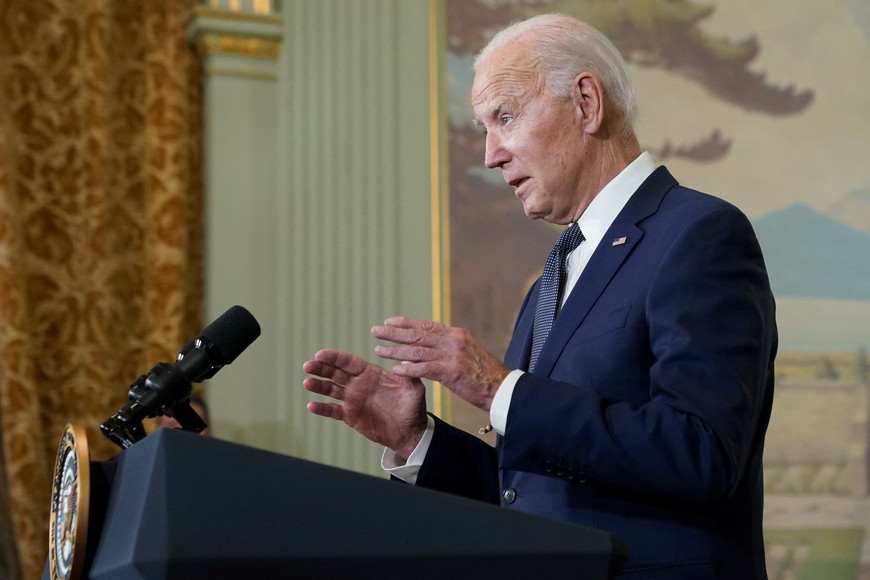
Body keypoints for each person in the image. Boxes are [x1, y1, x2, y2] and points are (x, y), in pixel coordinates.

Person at [303, 13, 776, 580]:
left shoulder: (698, 234)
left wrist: (497, 387)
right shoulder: (555, 273)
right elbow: (530, 496)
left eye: (505, 118)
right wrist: (416, 439)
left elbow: (701, 452)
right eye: (484, 128)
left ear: (585, 104)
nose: (491, 154)